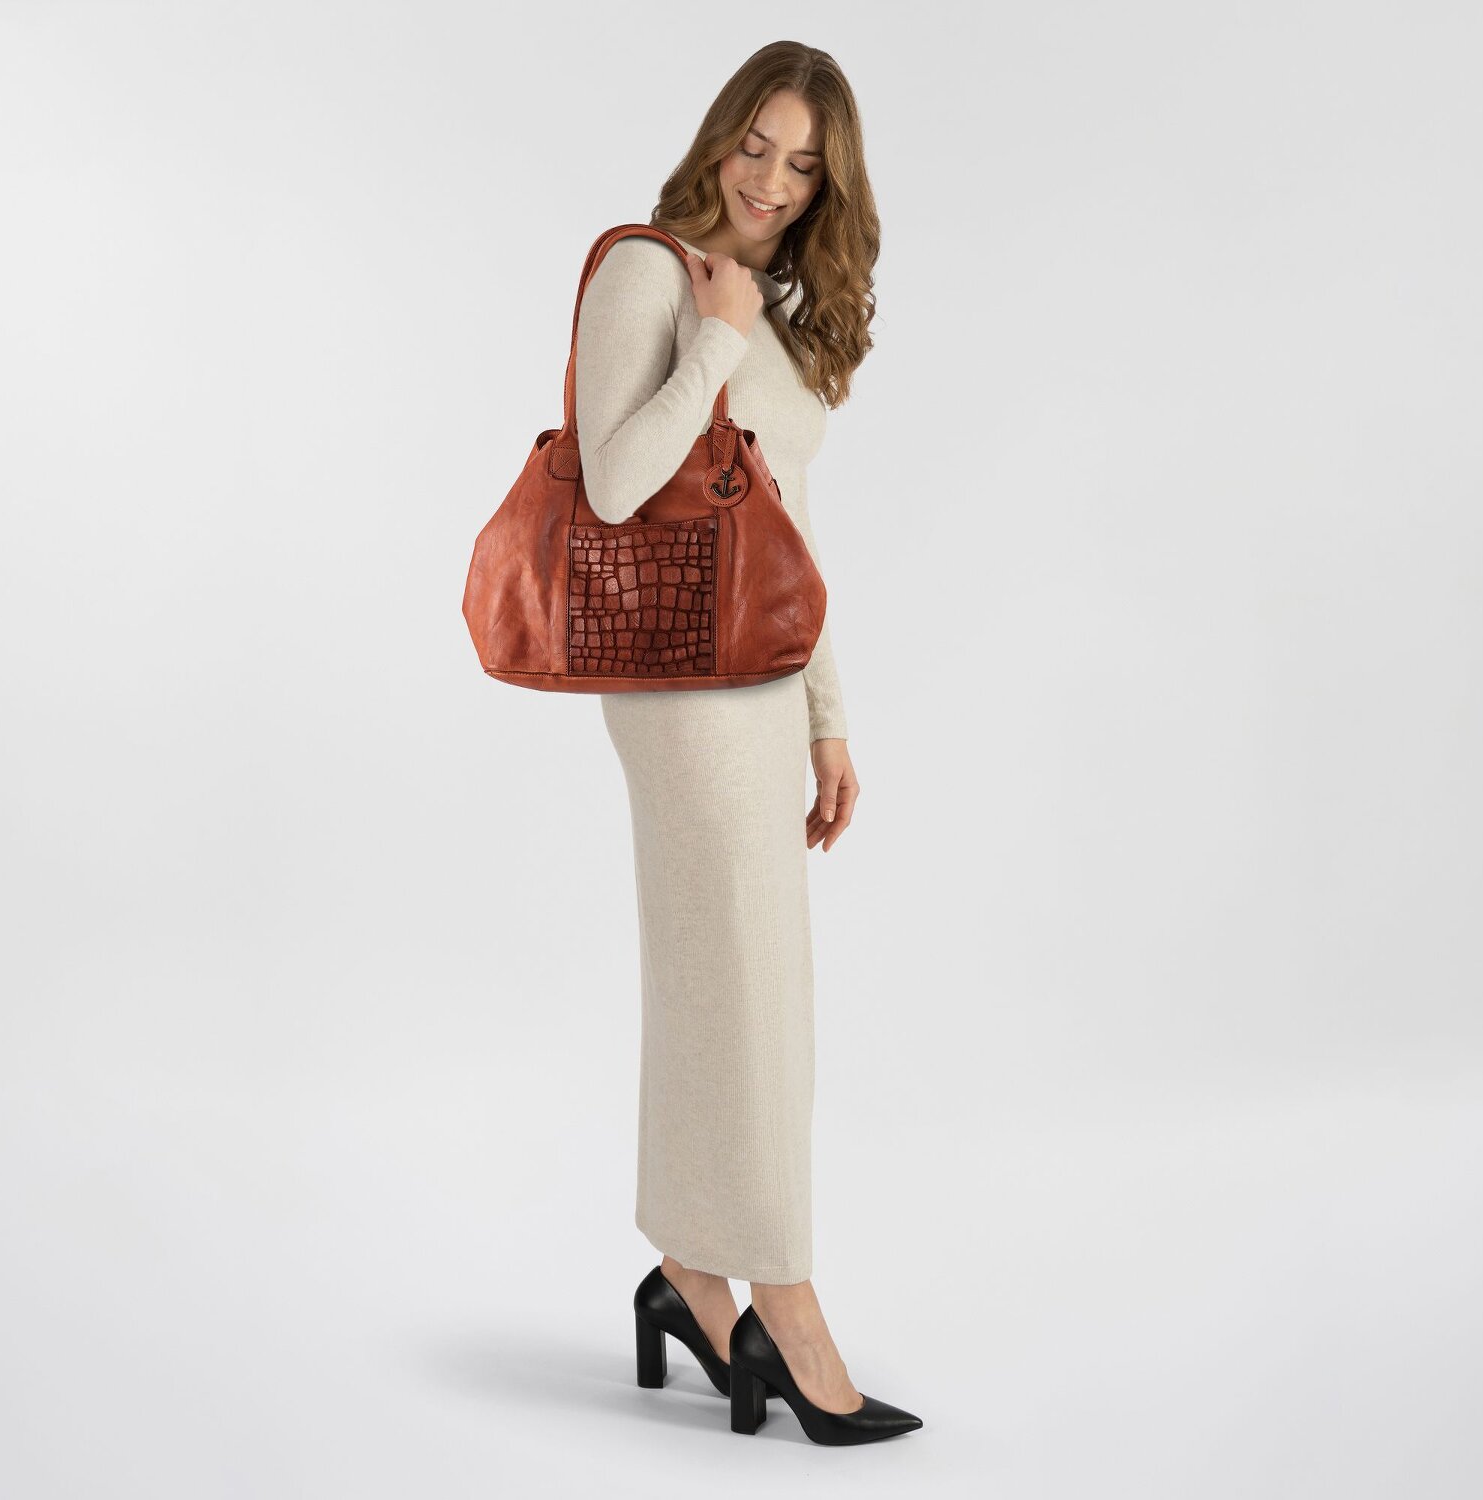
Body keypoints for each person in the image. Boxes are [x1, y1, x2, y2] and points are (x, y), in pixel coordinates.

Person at [573, 41, 922, 1445]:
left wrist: (829, 716)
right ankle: (787, 1303)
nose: (772, 181)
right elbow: (612, 483)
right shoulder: (648, 273)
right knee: (754, 986)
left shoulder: (772, 309)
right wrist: (712, 337)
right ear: (719, 137)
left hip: (762, 683)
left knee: (727, 984)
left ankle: (691, 1277)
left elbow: (789, 534)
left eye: (804, 165)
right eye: (756, 146)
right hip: (679, 685)